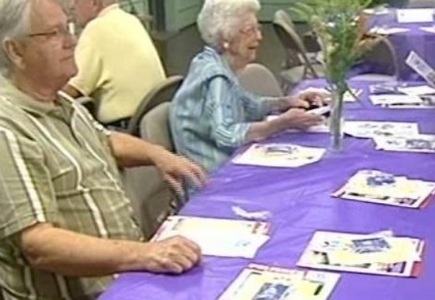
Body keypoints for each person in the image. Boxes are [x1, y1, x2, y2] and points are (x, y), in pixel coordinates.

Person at [0, 0, 206, 299]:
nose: (71, 41)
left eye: (69, 29)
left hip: (126, 274)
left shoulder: (63, 102)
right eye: (54, 33)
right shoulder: (7, 128)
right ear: (15, 51)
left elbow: (106, 141)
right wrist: (146, 254)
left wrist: (157, 154)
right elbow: (39, 245)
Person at [169, 0, 324, 180]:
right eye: (250, 30)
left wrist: (287, 102)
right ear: (226, 38)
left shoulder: (209, 61)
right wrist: (281, 123)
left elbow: (249, 105)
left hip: (226, 168)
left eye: (258, 29)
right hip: (215, 181)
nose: (259, 37)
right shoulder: (216, 78)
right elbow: (226, 135)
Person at [63, 0, 166, 129]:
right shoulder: (130, 20)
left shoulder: (96, 28)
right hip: (151, 123)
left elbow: (71, 90)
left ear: (94, 3)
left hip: (123, 128)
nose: (72, 5)